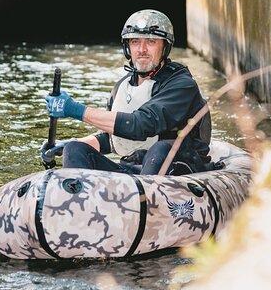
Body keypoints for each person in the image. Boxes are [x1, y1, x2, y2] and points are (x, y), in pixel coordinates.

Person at [40, 9, 213, 175]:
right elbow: (113, 139)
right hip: (135, 169)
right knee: (75, 149)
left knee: (161, 149)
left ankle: (145, 202)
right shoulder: (122, 87)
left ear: (165, 47)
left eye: (151, 42)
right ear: (128, 47)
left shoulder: (182, 85)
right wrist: (62, 148)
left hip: (179, 168)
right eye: (135, 41)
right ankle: (76, 196)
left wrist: (75, 110)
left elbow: (141, 125)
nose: (142, 49)